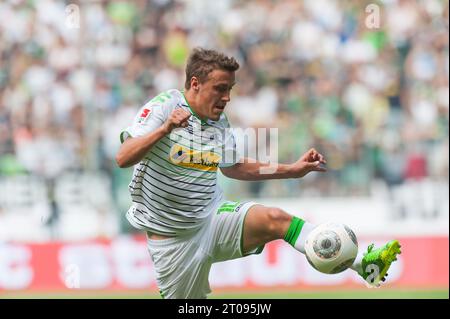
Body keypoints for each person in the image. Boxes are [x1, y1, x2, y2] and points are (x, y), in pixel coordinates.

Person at [116, 48, 401, 299]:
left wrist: (291, 170)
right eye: (220, 88)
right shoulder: (163, 107)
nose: (227, 97)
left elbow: (234, 166)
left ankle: (364, 263)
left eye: (230, 89)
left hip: (211, 219)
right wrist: (165, 129)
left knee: (276, 219)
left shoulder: (218, 122)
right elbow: (123, 157)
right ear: (195, 83)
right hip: (172, 239)